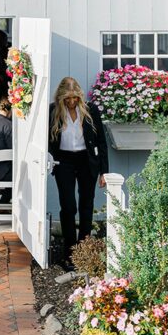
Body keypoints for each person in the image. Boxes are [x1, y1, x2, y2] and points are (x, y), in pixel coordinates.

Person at [49, 77, 108, 272]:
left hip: (86, 161)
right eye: (68, 99)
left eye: (75, 98)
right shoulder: (53, 111)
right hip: (63, 161)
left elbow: (101, 142)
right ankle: (69, 252)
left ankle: (83, 251)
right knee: (68, 206)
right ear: (61, 97)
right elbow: (48, 141)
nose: (72, 102)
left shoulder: (90, 110)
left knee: (86, 206)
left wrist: (104, 172)